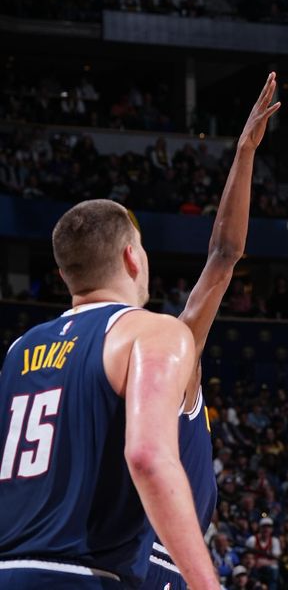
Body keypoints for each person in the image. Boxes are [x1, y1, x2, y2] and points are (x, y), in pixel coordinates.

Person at [0, 199, 217, 589]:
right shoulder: (152, 331)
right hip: (87, 576)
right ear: (132, 257)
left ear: (65, 272)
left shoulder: (18, 351)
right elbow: (148, 456)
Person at [143, 72, 281, 589]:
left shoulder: (97, 372)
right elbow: (224, 257)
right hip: (160, 562)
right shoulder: (172, 359)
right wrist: (245, 151)